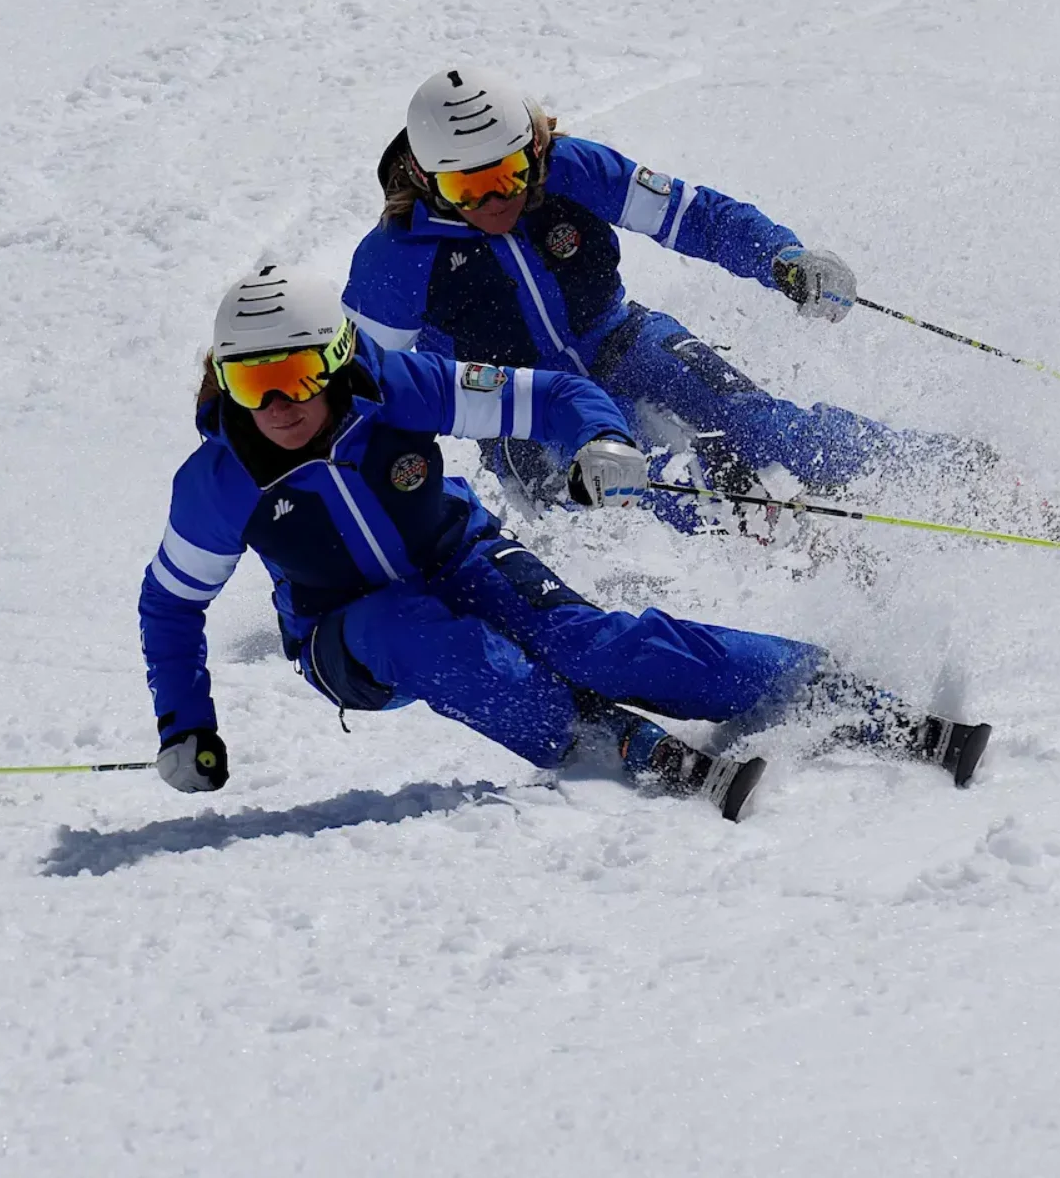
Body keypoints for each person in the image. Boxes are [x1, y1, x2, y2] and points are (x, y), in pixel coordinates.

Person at [139, 265, 991, 821]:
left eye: (293, 375)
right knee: (424, 636)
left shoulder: (399, 388)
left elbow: (543, 397)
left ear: (335, 359)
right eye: (252, 381)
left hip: (456, 550)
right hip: (345, 633)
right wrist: (185, 726)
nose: (277, 404)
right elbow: (172, 606)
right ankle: (596, 738)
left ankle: (828, 688)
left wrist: (598, 440)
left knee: (592, 642)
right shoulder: (218, 483)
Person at [341, 66, 1060, 541]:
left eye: (507, 173)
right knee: (661, 490)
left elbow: (691, 216)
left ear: (534, 150)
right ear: (428, 178)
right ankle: (811, 560)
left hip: (623, 342)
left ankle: (969, 478)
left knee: (773, 432)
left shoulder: (573, 171)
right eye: (468, 190)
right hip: (523, 409)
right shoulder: (396, 259)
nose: (497, 199)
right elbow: (363, 393)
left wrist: (782, 259)